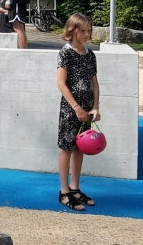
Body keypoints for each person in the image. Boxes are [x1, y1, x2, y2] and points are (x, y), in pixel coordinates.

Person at [56, 13, 100, 211]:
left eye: (89, 30)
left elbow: (94, 83)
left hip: (87, 109)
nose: (87, 34)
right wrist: (76, 108)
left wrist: (95, 106)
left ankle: (75, 188)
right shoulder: (65, 52)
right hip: (71, 109)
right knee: (67, 147)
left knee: (80, 147)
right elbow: (61, 83)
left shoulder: (90, 55)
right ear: (73, 30)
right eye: (83, 31)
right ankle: (64, 191)